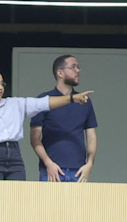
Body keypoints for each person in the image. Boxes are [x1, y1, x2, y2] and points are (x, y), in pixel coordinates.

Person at [0, 67, 69, 181]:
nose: (0, 88)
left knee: (17, 196)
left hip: (14, 157)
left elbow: (42, 103)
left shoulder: (14, 104)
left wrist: (70, 98)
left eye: (2, 84)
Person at [35, 53, 98, 181]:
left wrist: (89, 163)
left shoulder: (84, 101)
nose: (78, 71)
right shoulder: (44, 100)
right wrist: (48, 163)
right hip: (52, 170)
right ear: (60, 73)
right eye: (73, 67)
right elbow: (35, 138)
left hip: (78, 170)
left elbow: (91, 136)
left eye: (78, 67)